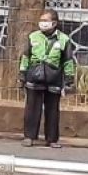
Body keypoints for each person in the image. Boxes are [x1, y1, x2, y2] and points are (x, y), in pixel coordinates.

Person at [19, 8, 74, 148]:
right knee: (32, 109)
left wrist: (69, 79)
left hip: (53, 78)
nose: (42, 23)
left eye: (45, 21)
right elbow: (26, 57)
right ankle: (29, 137)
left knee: (52, 110)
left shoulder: (64, 40)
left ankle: (52, 139)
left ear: (54, 23)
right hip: (34, 77)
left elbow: (68, 61)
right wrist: (22, 75)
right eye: (41, 20)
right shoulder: (33, 37)